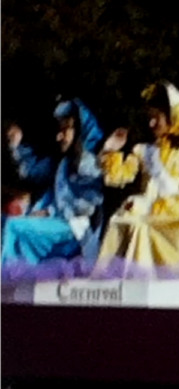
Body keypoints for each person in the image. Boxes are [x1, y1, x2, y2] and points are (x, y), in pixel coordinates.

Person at [95, 81, 179, 276]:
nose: (151, 124)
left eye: (157, 118)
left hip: (177, 219)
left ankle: (141, 280)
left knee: (140, 226)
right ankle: (108, 282)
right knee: (118, 221)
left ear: (173, 117)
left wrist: (153, 207)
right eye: (150, 118)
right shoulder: (143, 151)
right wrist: (110, 150)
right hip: (148, 212)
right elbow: (117, 177)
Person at [0, 99, 104, 265]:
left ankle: (4, 279)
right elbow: (31, 171)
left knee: (14, 226)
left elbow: (86, 207)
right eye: (59, 130)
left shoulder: (89, 165)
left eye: (65, 130)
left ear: (78, 131)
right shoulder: (63, 163)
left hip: (74, 230)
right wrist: (16, 145)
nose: (58, 136)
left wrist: (50, 212)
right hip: (57, 221)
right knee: (3, 220)